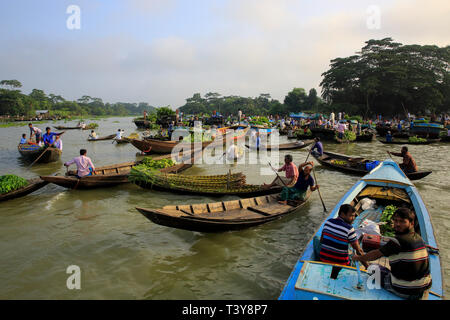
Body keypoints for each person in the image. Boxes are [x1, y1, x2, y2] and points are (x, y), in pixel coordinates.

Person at [352, 208, 432, 299]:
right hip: (423, 287)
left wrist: (358, 258)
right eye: (396, 221)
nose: (397, 224)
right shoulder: (419, 238)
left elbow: (375, 255)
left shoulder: (397, 241)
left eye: (402, 222)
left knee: (373, 268)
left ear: (411, 223)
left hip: (404, 290)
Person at [318, 204, 366, 278]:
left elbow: (321, 241)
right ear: (342, 214)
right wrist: (367, 266)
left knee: (316, 239)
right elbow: (359, 251)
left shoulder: (328, 222)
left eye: (354, 216)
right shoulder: (349, 229)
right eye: (351, 216)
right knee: (356, 256)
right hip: (341, 264)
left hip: (323, 260)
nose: (353, 218)